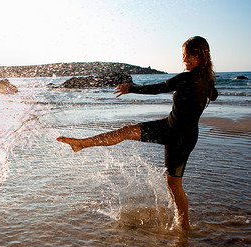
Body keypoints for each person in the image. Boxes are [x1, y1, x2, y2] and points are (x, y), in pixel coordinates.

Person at [57, 36, 218, 230]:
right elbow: (213, 95)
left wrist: (130, 88)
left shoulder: (187, 78)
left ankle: (184, 226)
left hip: (179, 136)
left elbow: (159, 88)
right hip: (172, 128)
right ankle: (81, 143)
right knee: (127, 132)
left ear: (201, 56)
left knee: (174, 184)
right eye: (184, 55)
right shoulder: (206, 80)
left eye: (190, 56)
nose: (185, 59)